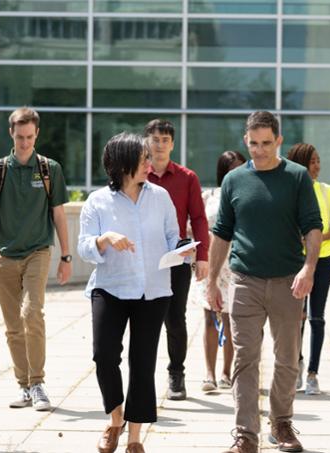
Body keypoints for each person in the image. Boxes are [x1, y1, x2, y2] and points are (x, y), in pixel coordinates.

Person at [207, 111, 323, 453]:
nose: (259, 150)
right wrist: (213, 281)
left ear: (279, 141)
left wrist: (309, 268)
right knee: (245, 358)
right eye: (253, 143)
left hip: (289, 281)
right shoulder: (234, 181)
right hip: (245, 281)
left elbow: (313, 227)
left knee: (287, 358)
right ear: (246, 140)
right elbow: (221, 234)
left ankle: (282, 423)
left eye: (266, 143)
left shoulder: (297, 177)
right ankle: (246, 434)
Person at [78, 133, 194, 453]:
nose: (150, 163)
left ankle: (134, 437)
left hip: (153, 291)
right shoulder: (98, 201)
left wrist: (182, 249)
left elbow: (174, 236)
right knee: (104, 356)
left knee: (142, 363)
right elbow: (83, 247)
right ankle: (115, 421)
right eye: (143, 159)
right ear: (124, 163)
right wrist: (105, 239)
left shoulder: (160, 197)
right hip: (110, 288)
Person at [0, 107, 71, 412]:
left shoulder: (49, 169)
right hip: (5, 255)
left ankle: (38, 383)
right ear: (11, 133)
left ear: (37, 135)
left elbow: (59, 213)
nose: (24, 143)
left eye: (29, 137)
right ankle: (24, 386)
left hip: (38, 251)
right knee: (12, 326)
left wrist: (66, 255)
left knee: (32, 313)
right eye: (19, 137)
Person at [145, 119, 210, 401]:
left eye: (165, 140)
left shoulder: (187, 178)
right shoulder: (136, 174)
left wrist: (203, 257)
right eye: (155, 139)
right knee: (144, 319)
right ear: (146, 141)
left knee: (175, 319)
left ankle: (176, 373)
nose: (160, 145)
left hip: (177, 258)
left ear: (172, 144)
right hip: (143, 259)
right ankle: (142, 374)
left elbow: (198, 217)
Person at [287, 143, 330, 396]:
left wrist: (316, 238)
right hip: (293, 261)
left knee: (317, 318)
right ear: (300, 163)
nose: (317, 165)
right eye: (313, 161)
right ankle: (296, 365)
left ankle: (313, 373)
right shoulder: (289, 190)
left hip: (322, 261)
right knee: (294, 318)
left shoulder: (327, 191)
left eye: (319, 160)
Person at [191, 151, 246, 393]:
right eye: (232, 167)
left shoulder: (248, 195)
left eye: (241, 167)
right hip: (213, 264)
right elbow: (196, 227)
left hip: (238, 263)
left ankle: (227, 372)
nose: (237, 172)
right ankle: (209, 374)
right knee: (210, 318)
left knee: (232, 319)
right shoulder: (209, 197)